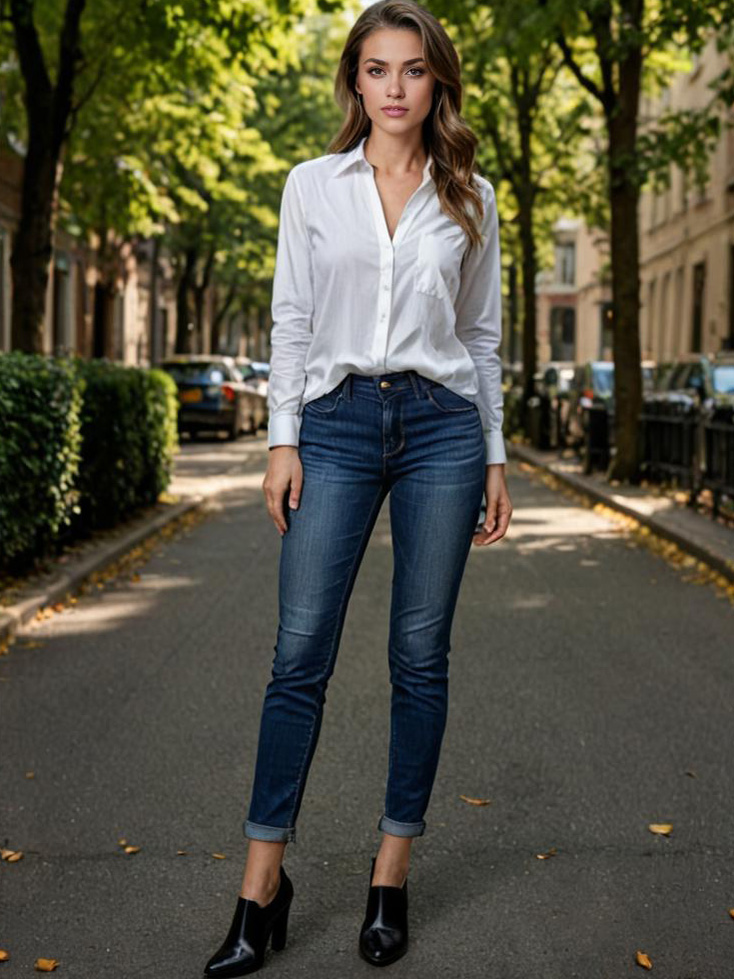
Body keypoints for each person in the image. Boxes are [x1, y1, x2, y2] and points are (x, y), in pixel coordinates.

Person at [203, 1, 513, 974]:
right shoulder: (311, 186)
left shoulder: (471, 196)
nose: (392, 87)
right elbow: (290, 317)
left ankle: (390, 875)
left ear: (436, 84)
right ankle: (259, 892)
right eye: (375, 68)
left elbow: (479, 338)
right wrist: (280, 438)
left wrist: (495, 455)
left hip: (441, 430)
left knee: (418, 656)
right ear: (354, 81)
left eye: (411, 70)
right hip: (333, 424)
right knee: (298, 656)